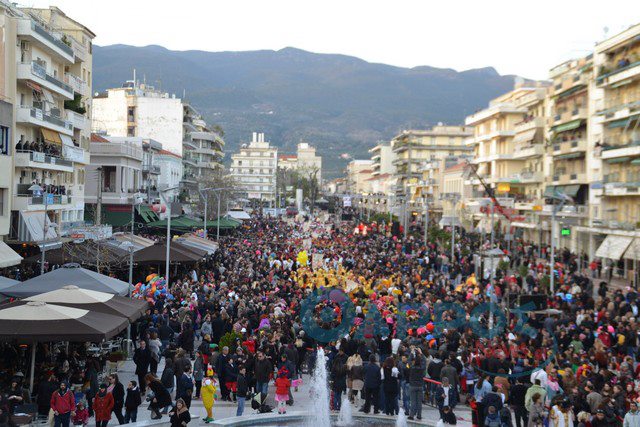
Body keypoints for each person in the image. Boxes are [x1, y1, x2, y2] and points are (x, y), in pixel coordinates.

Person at [407, 352, 424, 421]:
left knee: (413, 401)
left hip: (413, 385)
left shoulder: (411, 368)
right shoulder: (422, 368)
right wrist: (421, 354)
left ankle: (411, 415)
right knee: (419, 402)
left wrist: (411, 353)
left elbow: (408, 361)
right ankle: (419, 415)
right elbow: (424, 362)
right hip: (420, 386)